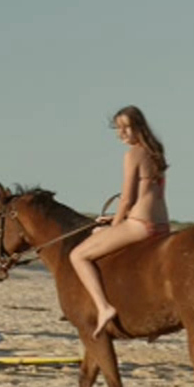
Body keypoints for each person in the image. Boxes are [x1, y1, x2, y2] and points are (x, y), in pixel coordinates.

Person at [69, 105, 171, 338]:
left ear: (139, 127)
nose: (121, 133)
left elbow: (126, 199)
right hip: (162, 224)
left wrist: (114, 226)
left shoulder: (133, 154)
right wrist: (117, 218)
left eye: (126, 127)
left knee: (78, 255)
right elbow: (145, 195)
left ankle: (103, 307)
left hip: (140, 224)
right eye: (118, 128)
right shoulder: (156, 152)